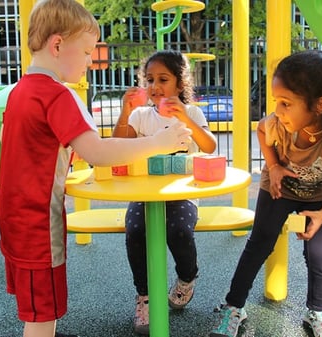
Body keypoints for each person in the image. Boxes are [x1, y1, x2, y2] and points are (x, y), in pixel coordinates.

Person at [0, 2, 192, 337]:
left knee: (37, 305)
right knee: (42, 310)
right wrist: (160, 142)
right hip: (37, 222)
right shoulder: (57, 96)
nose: (91, 60)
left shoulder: (19, 91)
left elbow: (13, 141)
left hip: (15, 217)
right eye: (87, 51)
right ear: (57, 45)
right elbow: (99, 152)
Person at [209, 50, 322, 337]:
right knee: (260, 244)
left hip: (319, 198)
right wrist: (274, 167)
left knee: (319, 255)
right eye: (276, 101)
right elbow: (261, 130)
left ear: (320, 105)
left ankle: (317, 312)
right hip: (279, 189)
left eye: (286, 103)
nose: (277, 110)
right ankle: (233, 307)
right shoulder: (280, 124)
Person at [112, 49, 217, 335]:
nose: (155, 86)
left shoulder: (191, 112)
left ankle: (186, 278)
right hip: (145, 195)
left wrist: (185, 116)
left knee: (179, 231)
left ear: (179, 85)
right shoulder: (141, 116)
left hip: (182, 194)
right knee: (135, 231)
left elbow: (209, 147)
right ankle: (145, 296)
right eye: (149, 80)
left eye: (163, 79)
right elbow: (118, 146)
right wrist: (125, 110)